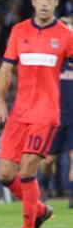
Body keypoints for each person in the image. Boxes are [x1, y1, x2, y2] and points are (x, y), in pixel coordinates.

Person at [0, 0, 73, 228]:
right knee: (4, 174)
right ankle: (40, 210)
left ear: (56, 2)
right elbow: (6, 69)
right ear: (33, 1)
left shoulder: (65, 36)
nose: (45, 3)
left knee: (27, 170)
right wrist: (0, 101)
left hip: (46, 114)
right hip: (19, 113)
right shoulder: (18, 31)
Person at [43, 16, 73, 208]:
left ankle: (72, 197)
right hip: (54, 115)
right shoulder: (52, 59)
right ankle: (44, 188)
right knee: (48, 160)